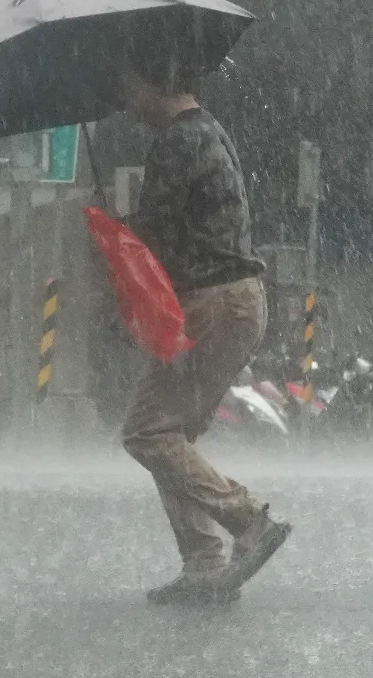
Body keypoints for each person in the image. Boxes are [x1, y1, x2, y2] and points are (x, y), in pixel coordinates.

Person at [112, 55, 293, 605]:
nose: (126, 101)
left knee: (148, 432)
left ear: (157, 79)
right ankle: (203, 565)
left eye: (129, 85)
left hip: (211, 302)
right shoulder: (208, 129)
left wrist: (116, 233)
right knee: (172, 435)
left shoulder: (176, 141)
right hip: (236, 299)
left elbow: (160, 235)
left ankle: (247, 521)